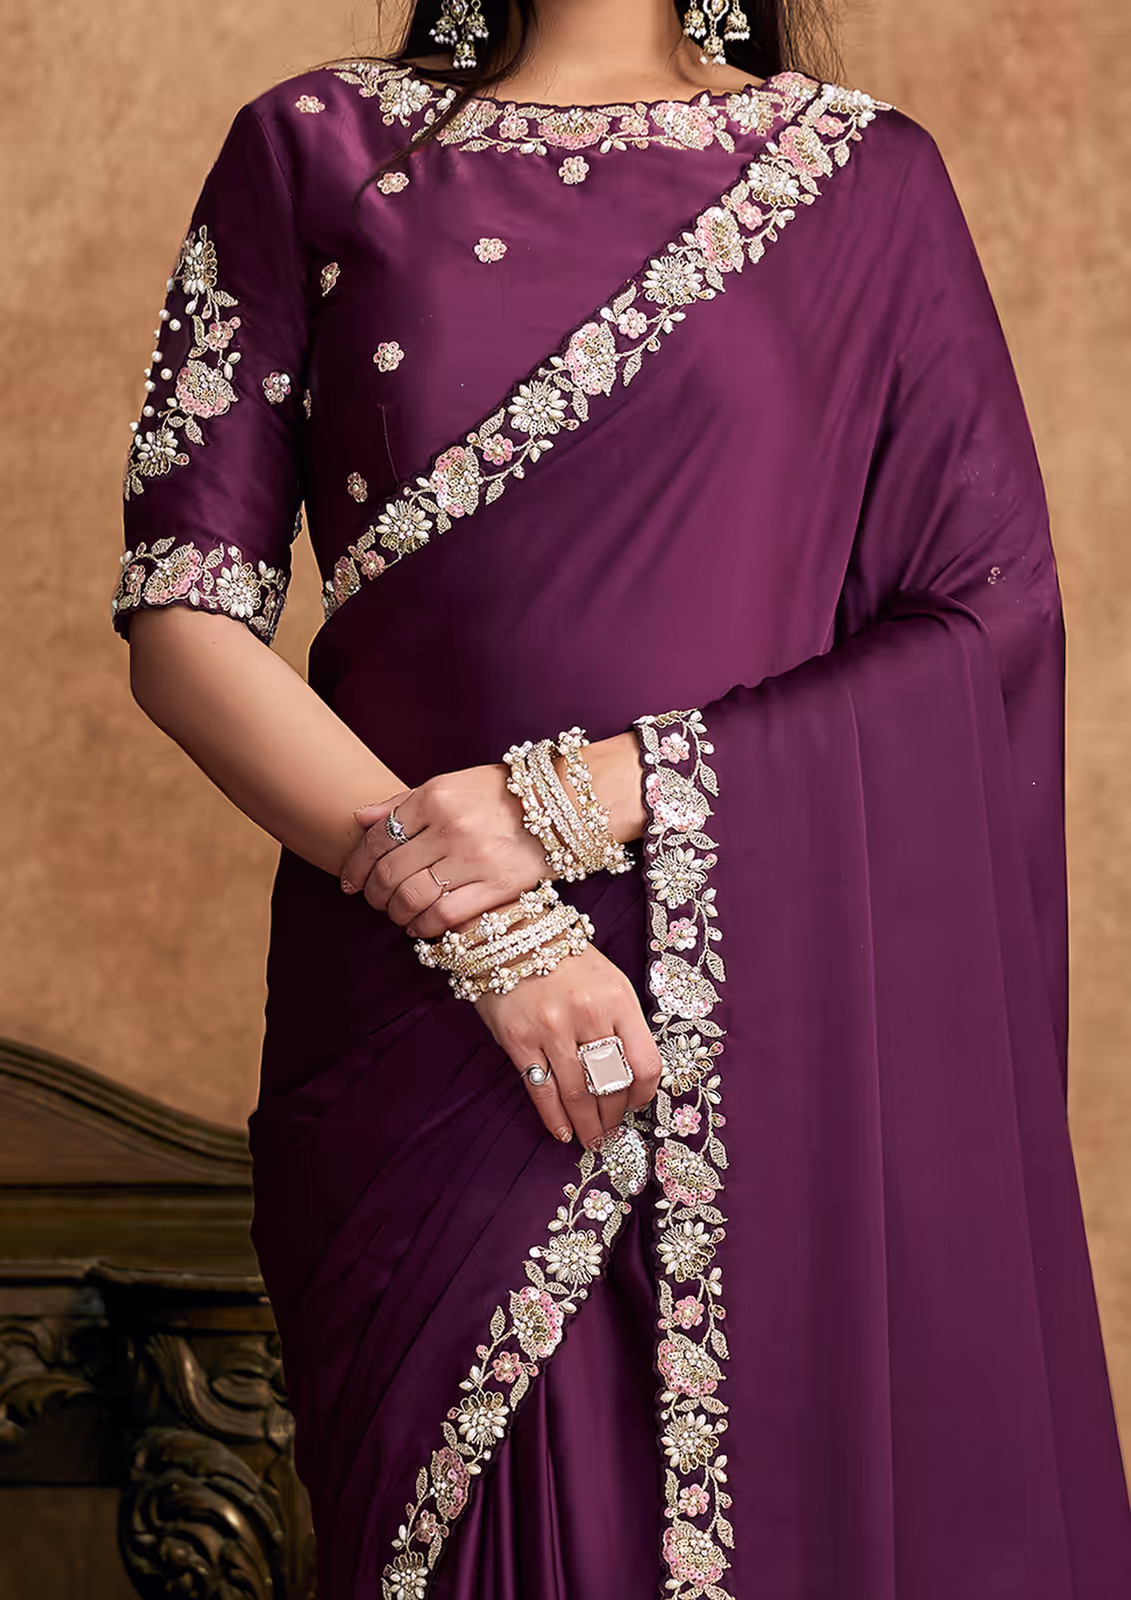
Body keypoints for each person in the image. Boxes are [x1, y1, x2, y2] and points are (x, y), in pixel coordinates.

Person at [110, 0, 1131, 1592]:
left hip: (760, 1003)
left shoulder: (859, 179)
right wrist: (492, 932)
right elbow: (184, 618)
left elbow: (983, 621)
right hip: (418, 1013)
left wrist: (581, 798)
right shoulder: (318, 147)